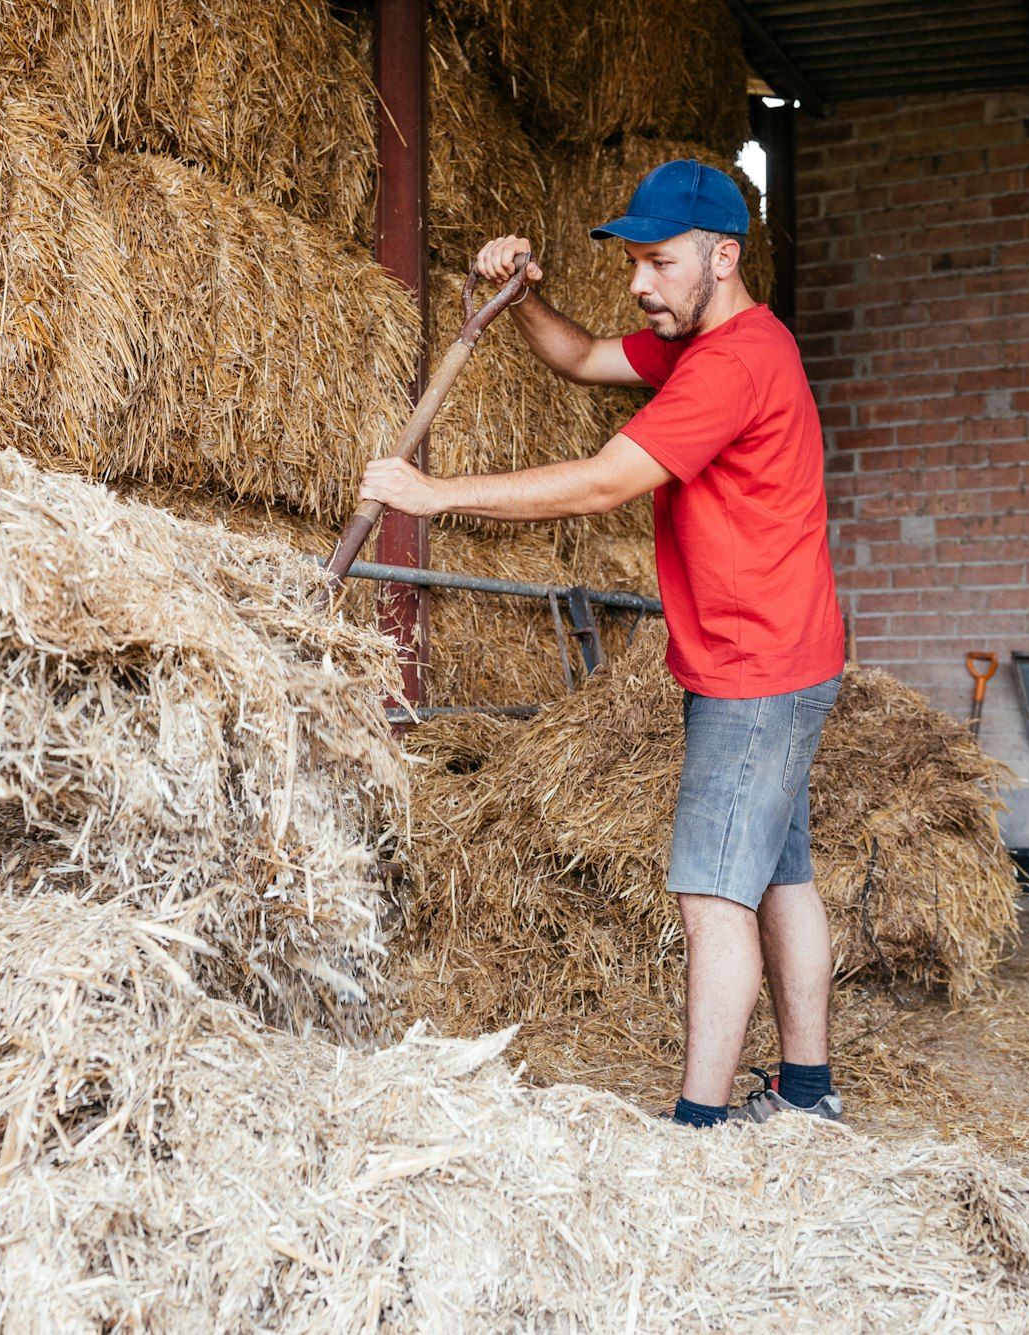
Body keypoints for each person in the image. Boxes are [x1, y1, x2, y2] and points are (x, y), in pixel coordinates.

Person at [359, 160, 845, 1128]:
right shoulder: (710, 343)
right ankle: (804, 1096)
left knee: (711, 900)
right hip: (782, 658)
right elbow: (581, 359)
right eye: (633, 263)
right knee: (779, 876)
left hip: (752, 672)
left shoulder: (734, 366)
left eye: (658, 263)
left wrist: (434, 495)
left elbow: (598, 484)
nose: (638, 284)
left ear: (722, 256)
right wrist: (516, 297)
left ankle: (697, 1130)